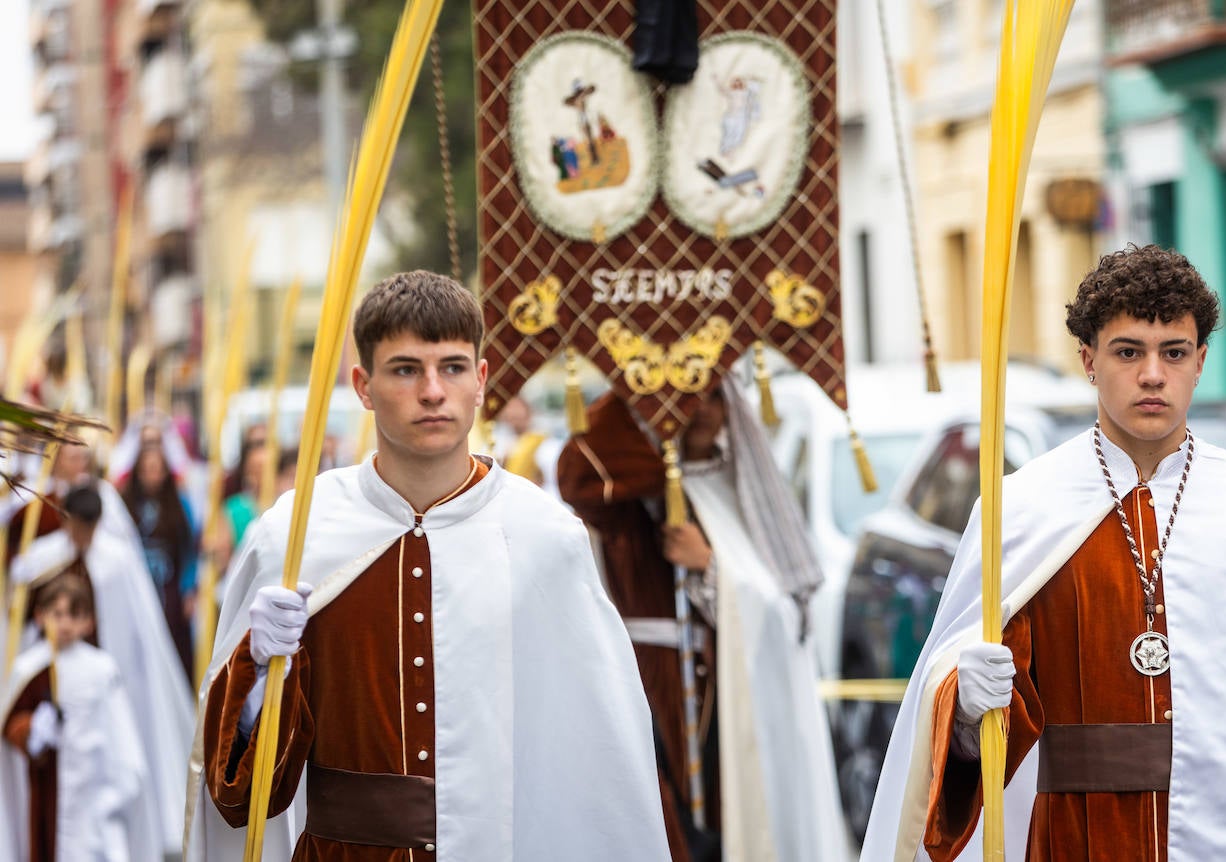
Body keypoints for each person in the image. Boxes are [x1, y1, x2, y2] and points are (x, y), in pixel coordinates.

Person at [860, 244, 1226, 861]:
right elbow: (977, 726)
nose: (1152, 375)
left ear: (1201, 360)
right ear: (1089, 359)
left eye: (1174, 353)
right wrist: (964, 706)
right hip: (1077, 836)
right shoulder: (1021, 509)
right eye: (1128, 352)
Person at [186, 271, 670, 861]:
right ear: (363, 386)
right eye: (406, 369)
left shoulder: (544, 538)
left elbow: (599, 759)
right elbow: (240, 796)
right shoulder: (295, 535)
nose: (433, 391)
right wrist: (257, 671)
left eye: (453, 367)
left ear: (482, 380)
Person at [558, 376, 847, 862]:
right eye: (690, 395)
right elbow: (578, 476)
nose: (704, 409)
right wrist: (637, 376)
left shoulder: (736, 484)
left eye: (715, 395)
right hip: (658, 692)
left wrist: (709, 566)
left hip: (737, 699)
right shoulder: (637, 487)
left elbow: (783, 609)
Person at [8, 484, 195, 858]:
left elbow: (135, 626)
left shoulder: (117, 561)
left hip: (104, 684)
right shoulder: (42, 559)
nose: (84, 537)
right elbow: (21, 620)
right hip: (53, 690)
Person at [0, 571, 159, 862]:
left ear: (89, 621)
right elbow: (11, 723)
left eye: (75, 614)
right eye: (56, 613)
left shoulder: (101, 668)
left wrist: (120, 788)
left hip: (92, 793)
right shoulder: (30, 667)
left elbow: (118, 731)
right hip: (44, 790)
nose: (64, 623)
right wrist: (31, 732)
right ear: (40, 615)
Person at [120, 441, 200, 681]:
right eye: (146, 469)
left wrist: (188, 589)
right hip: (137, 587)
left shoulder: (180, 504)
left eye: (156, 469)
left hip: (170, 590)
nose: (151, 476)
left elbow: (190, 551)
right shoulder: (125, 504)